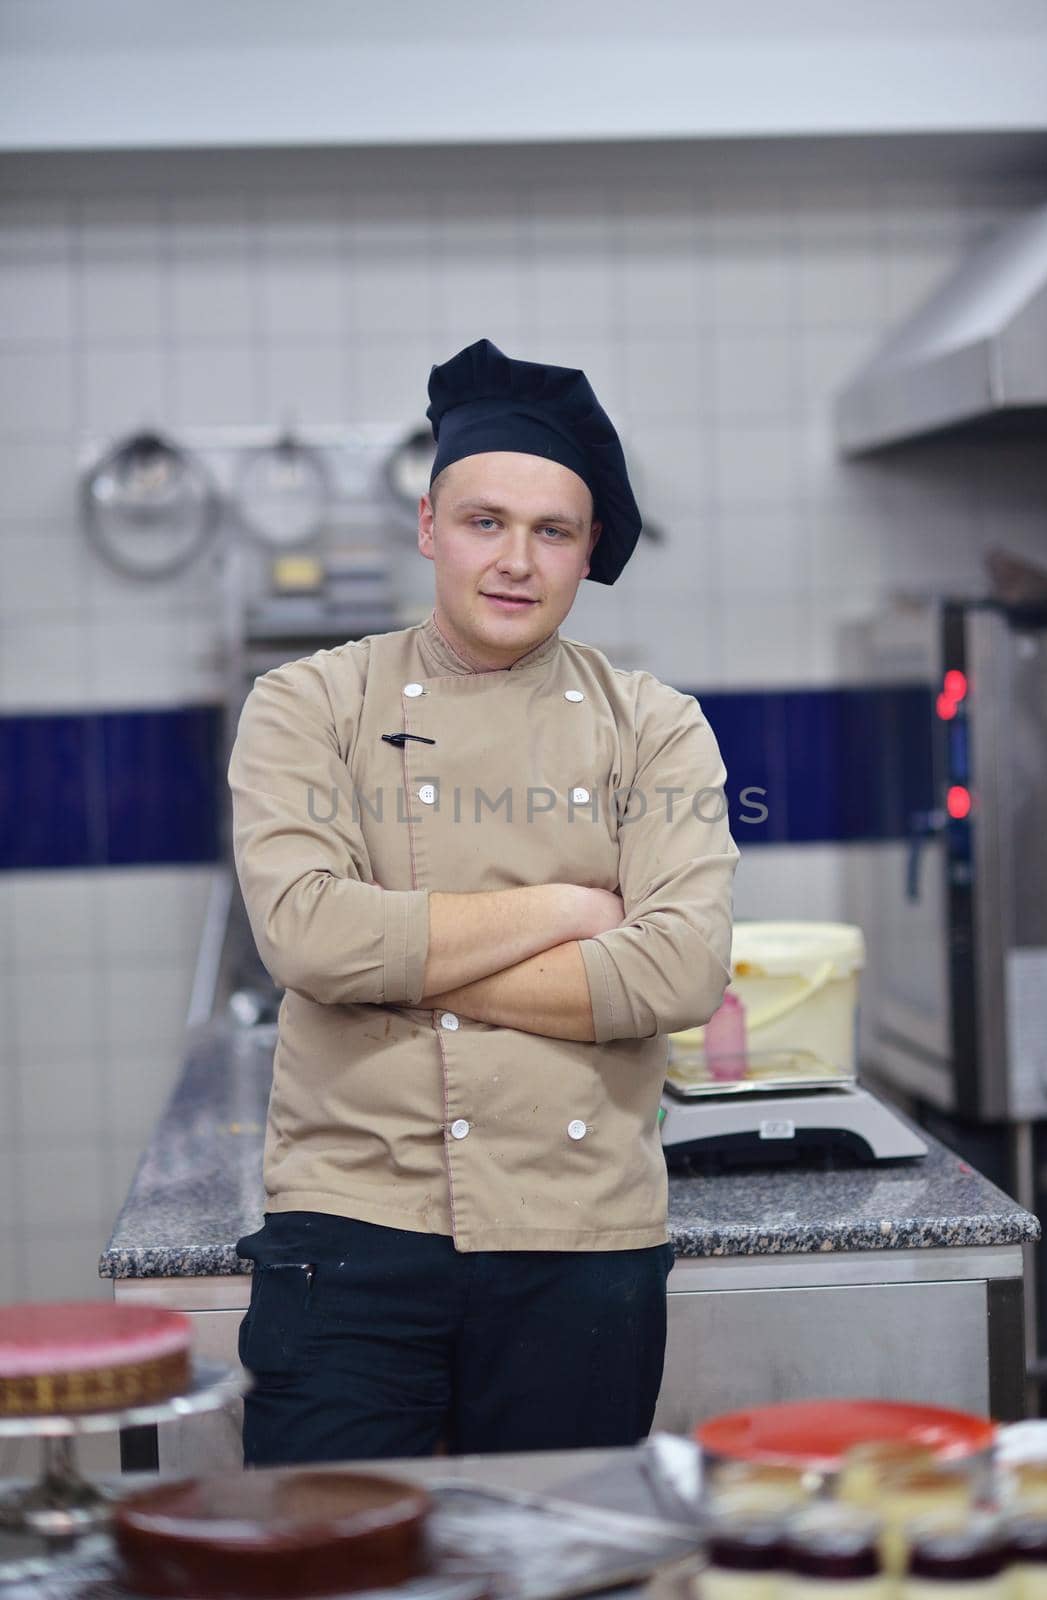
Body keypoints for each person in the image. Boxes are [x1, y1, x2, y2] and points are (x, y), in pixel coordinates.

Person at [228, 337, 739, 1464]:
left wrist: (398, 958)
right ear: (427, 526)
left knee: (564, 1566)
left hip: (582, 1243)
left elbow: (678, 970)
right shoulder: (307, 703)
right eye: (484, 522)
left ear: (588, 547)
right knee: (333, 1568)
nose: (516, 560)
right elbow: (307, 933)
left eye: (552, 530)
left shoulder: (655, 724)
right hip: (349, 1231)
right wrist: (567, 906)